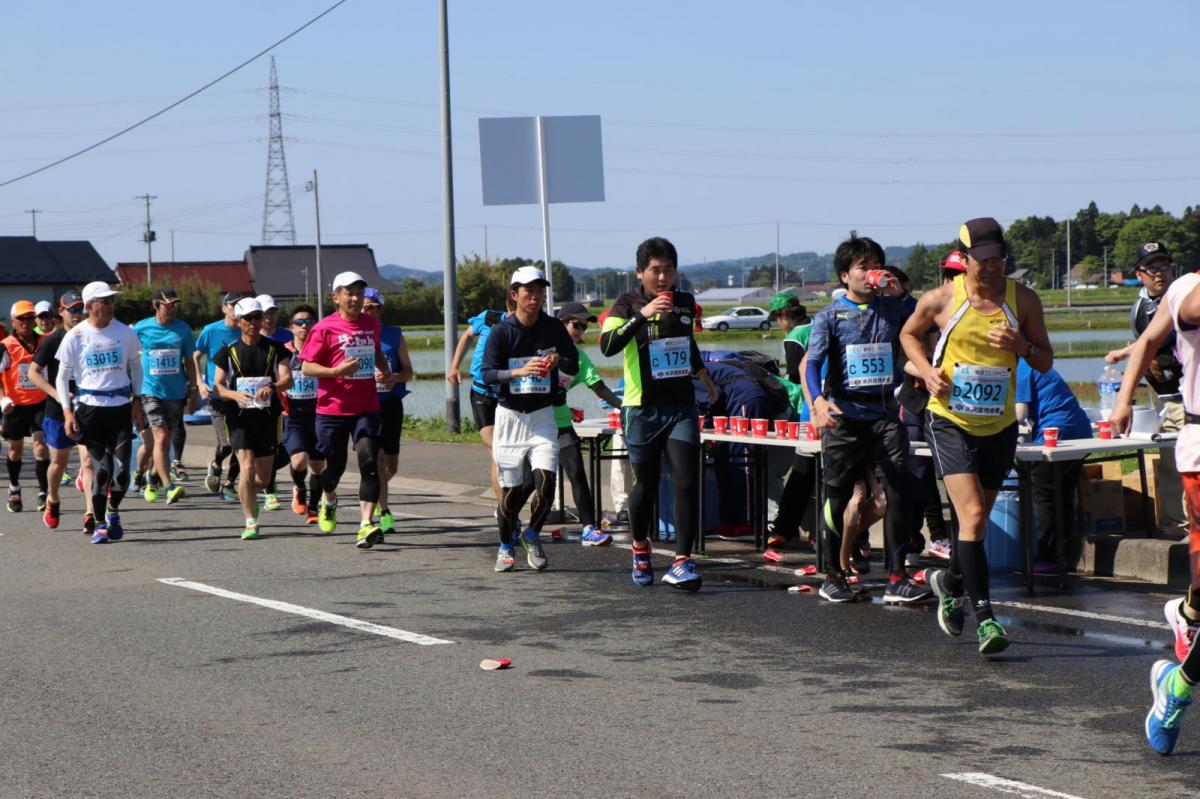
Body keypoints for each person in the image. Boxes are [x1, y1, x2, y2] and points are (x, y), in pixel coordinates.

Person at [901, 217, 1053, 656]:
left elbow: (1044, 361)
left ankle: (948, 582)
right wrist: (928, 372)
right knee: (970, 517)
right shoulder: (943, 299)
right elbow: (908, 335)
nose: (991, 268)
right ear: (964, 260)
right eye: (983, 260)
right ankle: (985, 618)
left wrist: (1020, 345)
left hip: (999, 425)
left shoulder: (1022, 300)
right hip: (949, 419)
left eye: (998, 259)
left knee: (978, 523)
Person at [805, 232, 925, 605]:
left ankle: (896, 575)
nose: (872, 273)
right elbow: (811, 364)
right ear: (845, 276)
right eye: (864, 267)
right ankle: (832, 573)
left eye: (877, 265)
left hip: (885, 414)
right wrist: (819, 402)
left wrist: (899, 293)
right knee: (837, 495)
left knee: (900, 489)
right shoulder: (830, 316)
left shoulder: (893, 308)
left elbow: (925, 318)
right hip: (844, 414)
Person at [1110, 267, 1200, 755]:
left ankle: (1188, 615)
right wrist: (1123, 398)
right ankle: (1177, 689)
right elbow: (1147, 342)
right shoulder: (1188, 291)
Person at [600, 237, 717, 590]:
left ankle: (682, 560)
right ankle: (640, 547)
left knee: (685, 480)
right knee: (646, 485)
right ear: (640, 273)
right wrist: (642, 316)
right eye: (655, 270)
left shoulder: (684, 302)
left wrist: (703, 375)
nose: (663, 277)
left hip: (680, 405)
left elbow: (686, 342)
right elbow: (607, 346)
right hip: (641, 408)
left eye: (668, 270)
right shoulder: (625, 304)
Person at [480, 265, 578, 572]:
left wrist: (557, 359)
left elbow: (573, 363)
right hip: (510, 417)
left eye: (539, 291)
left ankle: (533, 535)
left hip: (542, 415)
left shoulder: (552, 328)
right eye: (528, 291)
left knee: (546, 482)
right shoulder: (501, 332)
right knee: (510, 490)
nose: (535, 297)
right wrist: (518, 372)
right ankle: (506, 544)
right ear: (514, 295)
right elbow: (487, 374)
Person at [300, 272, 395, 547]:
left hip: (366, 407)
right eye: (348, 292)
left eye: (359, 292)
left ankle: (366, 524)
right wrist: (335, 371)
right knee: (335, 467)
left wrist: (385, 371)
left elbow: (376, 350)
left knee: (369, 461)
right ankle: (328, 497)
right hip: (332, 409)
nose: (355, 298)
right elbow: (306, 366)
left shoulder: (370, 324)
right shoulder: (323, 328)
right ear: (336, 297)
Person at [56, 281, 145, 544]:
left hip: (119, 408)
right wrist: (67, 412)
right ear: (90, 305)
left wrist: (137, 401)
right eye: (105, 301)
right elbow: (62, 378)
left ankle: (113, 511)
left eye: (112, 300)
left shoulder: (125, 333)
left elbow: (136, 368)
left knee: (121, 473)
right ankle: (99, 524)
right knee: (101, 470)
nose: (110, 305)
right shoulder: (76, 335)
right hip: (89, 410)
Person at [212, 298, 293, 540]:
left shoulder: (275, 348)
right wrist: (234, 394)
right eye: (248, 319)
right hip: (239, 417)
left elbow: (288, 379)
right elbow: (218, 386)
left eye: (257, 318)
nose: (254, 323)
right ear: (238, 321)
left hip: (267, 417)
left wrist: (273, 387)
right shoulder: (227, 352)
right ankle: (251, 521)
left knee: (262, 478)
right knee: (246, 465)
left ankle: (245, 488)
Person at [553, 301, 620, 546]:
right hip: (534, 422)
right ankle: (514, 525)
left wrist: (624, 408)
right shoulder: (541, 348)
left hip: (561, 423)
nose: (580, 330)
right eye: (576, 324)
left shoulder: (580, 358)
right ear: (561, 323)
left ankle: (589, 528)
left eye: (584, 326)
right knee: (531, 482)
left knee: (577, 473)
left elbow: (599, 387)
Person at [1015, 361, 1091, 571]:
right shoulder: (1033, 361)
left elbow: (1019, 413)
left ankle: (1049, 557)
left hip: (1055, 433)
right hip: (1078, 429)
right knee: (1064, 494)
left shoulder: (1021, 366)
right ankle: (1063, 556)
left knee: (1044, 494)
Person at [27, 291, 95, 530]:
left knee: (88, 461)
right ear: (61, 311)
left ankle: (90, 513)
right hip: (58, 410)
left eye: (81, 309)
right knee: (59, 462)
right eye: (72, 310)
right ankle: (53, 499)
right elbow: (33, 373)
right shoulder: (53, 340)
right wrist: (57, 394)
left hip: (88, 407)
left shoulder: (92, 336)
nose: (77, 315)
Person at [1106, 242, 1183, 430]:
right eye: (1151, 268)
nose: (1159, 272)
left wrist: (1125, 352)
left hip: (1190, 398)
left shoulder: (1184, 299)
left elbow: (1153, 341)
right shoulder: (1139, 309)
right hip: (1163, 398)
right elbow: (1146, 348)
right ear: (1139, 274)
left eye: (1164, 265)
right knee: (1167, 459)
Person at [448, 295, 517, 505]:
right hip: (482, 393)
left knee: (500, 457)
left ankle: (504, 512)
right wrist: (454, 366)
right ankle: (504, 511)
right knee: (498, 452)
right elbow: (467, 336)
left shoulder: (528, 330)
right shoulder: (490, 318)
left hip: (508, 396)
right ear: (509, 307)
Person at [132, 288, 196, 505]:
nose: (171, 309)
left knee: (165, 440)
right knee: (159, 437)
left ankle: (149, 476)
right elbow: (128, 354)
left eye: (174, 304)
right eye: (167, 304)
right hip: (150, 391)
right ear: (156, 305)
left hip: (176, 392)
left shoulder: (183, 330)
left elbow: (189, 361)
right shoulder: (141, 328)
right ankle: (168, 486)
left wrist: (194, 388)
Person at [362, 288, 413, 535]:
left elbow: (409, 372)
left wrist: (393, 377)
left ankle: (372, 489)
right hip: (366, 405)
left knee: (390, 467)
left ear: (380, 309)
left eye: (372, 307)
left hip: (391, 404)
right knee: (377, 460)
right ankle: (383, 510)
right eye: (362, 307)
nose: (367, 311)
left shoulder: (394, 335)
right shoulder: (355, 335)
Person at [1, 300, 50, 514]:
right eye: (22, 318)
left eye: (30, 317)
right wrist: (2, 399)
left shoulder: (46, 341)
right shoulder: (6, 345)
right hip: (15, 405)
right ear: (13, 321)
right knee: (15, 451)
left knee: (40, 446)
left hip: (40, 402)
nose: (26, 322)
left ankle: (44, 491)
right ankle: (14, 487)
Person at [195, 292, 245, 500]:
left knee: (240, 443)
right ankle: (216, 464)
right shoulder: (211, 330)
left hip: (240, 394)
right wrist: (199, 382)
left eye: (240, 305)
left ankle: (229, 483)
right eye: (233, 305)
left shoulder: (246, 330)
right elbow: (196, 355)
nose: (236, 309)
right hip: (217, 395)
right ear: (224, 308)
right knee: (226, 445)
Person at [280, 304, 323, 524]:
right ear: (291, 327)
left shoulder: (323, 350)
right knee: (299, 461)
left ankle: (314, 509)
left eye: (309, 322)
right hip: (293, 415)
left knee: (317, 466)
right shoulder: (283, 351)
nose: (304, 326)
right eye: (299, 322)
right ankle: (298, 487)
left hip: (320, 414)